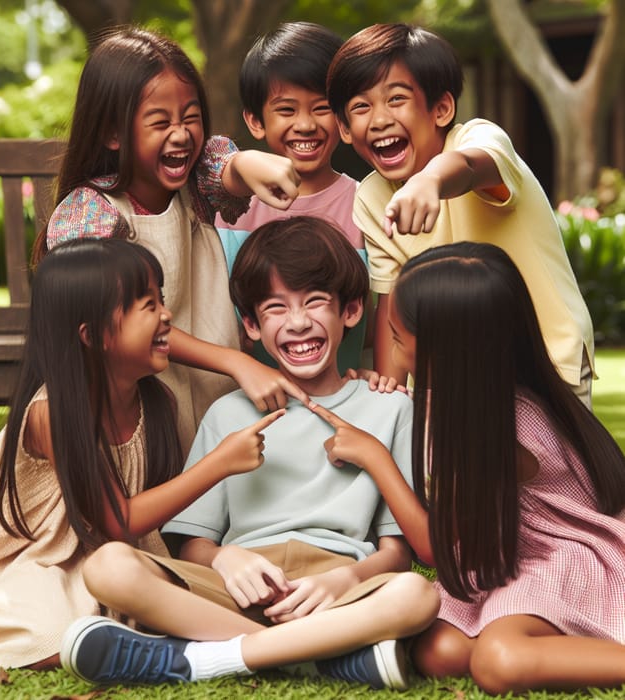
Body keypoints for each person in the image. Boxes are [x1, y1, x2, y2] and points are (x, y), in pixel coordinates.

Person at [58, 217, 439, 690]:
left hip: (341, 586)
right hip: (236, 587)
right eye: (276, 308)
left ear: (352, 310)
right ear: (252, 326)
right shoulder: (227, 412)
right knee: (110, 566)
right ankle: (312, 656)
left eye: (315, 302)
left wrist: (345, 581)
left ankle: (207, 658)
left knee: (417, 596)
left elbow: (396, 553)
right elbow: (193, 542)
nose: (298, 322)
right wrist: (225, 561)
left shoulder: (390, 408)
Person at [0, 238, 286, 669]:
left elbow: (129, 529)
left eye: (162, 299)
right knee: (55, 640)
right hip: (28, 555)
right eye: (147, 305)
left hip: (102, 555)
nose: (166, 314)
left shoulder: (156, 404)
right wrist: (219, 464)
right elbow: (118, 519)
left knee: (130, 614)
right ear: (92, 335)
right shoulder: (52, 413)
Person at [310, 241, 625, 695]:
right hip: (513, 557)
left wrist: (376, 457)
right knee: (440, 651)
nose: (391, 352)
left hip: (567, 561)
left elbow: (436, 550)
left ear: (446, 351)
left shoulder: (488, 428)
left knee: (499, 662)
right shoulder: (480, 393)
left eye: (398, 338)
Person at [34, 26, 307, 456]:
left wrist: (251, 160)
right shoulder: (92, 212)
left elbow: (227, 166)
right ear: (113, 133)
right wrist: (235, 360)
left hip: (209, 391)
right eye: (160, 122)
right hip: (132, 403)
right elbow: (112, 315)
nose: (180, 134)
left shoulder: (194, 188)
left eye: (190, 117)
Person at [326, 22, 595, 406]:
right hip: (459, 373)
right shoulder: (371, 197)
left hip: (547, 359)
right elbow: (390, 304)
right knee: (462, 467)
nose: (380, 119)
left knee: (546, 466)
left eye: (396, 99)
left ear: (441, 108)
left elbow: (472, 166)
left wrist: (431, 180)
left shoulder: (479, 138)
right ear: (346, 129)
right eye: (361, 107)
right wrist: (392, 394)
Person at [215, 21, 370, 374]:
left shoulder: (364, 205)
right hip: (246, 399)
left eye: (321, 108)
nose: (305, 124)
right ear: (255, 121)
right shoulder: (232, 208)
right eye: (286, 110)